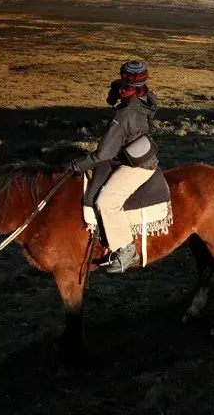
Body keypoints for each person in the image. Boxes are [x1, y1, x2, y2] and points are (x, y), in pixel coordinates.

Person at [67, 60, 159, 274]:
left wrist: (76, 165)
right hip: (141, 150)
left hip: (138, 165)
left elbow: (103, 154)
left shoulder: (124, 114)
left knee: (106, 201)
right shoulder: (148, 97)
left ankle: (126, 250)